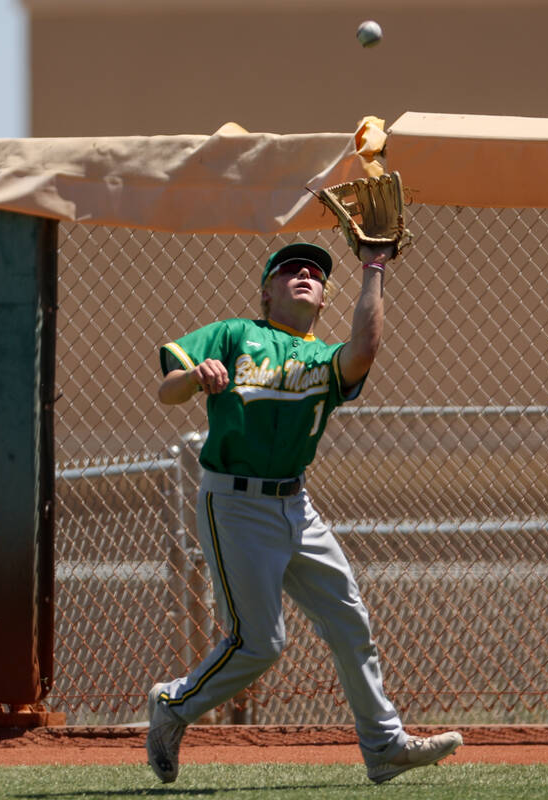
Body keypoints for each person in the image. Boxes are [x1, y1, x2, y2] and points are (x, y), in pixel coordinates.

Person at [147, 240, 462, 785]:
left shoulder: (324, 358)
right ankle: (174, 705)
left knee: (349, 619)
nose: (303, 274)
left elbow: (364, 350)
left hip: (296, 504)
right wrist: (197, 377)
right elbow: (167, 391)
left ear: (322, 300)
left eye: (314, 273)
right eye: (288, 269)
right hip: (235, 504)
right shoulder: (233, 334)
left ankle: (384, 746)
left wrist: (374, 270)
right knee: (260, 643)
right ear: (267, 290)